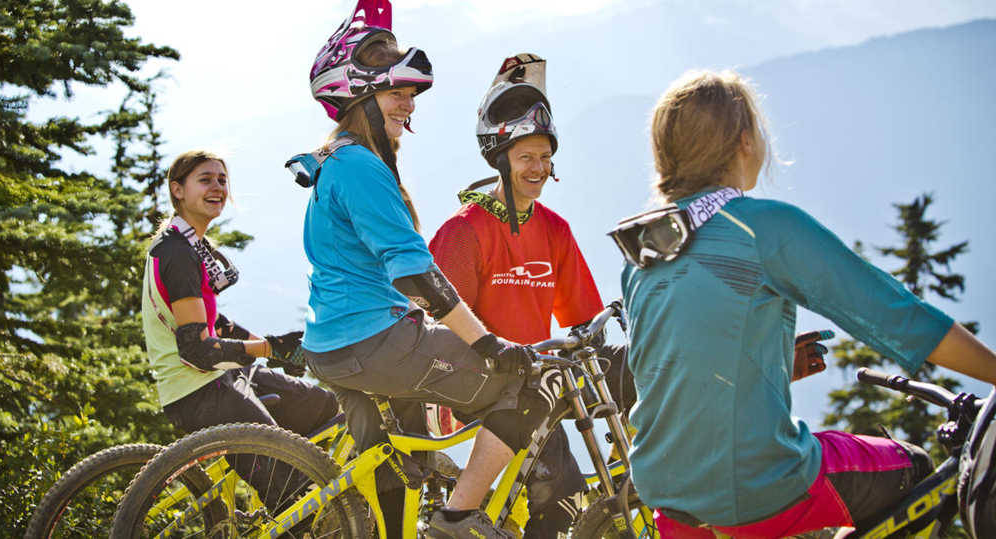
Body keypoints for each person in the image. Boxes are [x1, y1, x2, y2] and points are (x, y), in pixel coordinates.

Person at [616, 69, 996, 537]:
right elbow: (900, 318)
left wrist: (763, 366)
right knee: (913, 469)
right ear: (744, 142)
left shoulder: (645, 248)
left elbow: (667, 366)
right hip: (754, 487)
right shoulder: (762, 227)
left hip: (668, 497)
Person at [296, 2, 554, 537]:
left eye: (411, 95)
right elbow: (414, 274)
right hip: (371, 340)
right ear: (359, 96)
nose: (408, 105)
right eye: (397, 93)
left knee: (397, 464)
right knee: (529, 387)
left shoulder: (336, 161)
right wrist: (488, 344)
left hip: (335, 341)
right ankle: (457, 519)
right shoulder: (360, 167)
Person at [428, 52, 633, 538]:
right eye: (526, 158)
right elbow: (438, 327)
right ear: (501, 161)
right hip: (483, 392)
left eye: (545, 157)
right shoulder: (464, 231)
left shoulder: (554, 229)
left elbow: (583, 322)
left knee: (564, 502)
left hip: (536, 385)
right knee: (556, 499)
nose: (538, 168)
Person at [140, 149, 340, 505]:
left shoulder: (190, 246)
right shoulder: (177, 253)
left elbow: (215, 323)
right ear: (178, 190)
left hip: (223, 378)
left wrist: (275, 348)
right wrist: (269, 348)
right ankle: (301, 512)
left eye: (222, 180)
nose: (217, 187)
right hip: (197, 392)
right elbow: (197, 349)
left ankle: (317, 497)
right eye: (205, 180)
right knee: (289, 486)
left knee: (322, 407)